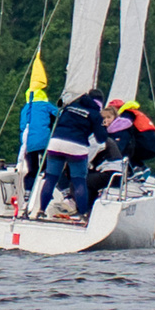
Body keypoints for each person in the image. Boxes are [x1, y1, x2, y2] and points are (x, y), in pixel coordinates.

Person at [35, 91, 105, 219]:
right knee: (79, 181)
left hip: (56, 142)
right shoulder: (95, 114)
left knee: (51, 178)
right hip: (76, 146)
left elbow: (55, 121)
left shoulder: (70, 107)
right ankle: (82, 213)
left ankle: (41, 211)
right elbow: (101, 139)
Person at [18, 83, 55, 199]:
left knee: (32, 169)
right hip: (45, 142)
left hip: (28, 143)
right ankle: (49, 189)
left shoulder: (26, 108)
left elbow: (22, 125)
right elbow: (58, 115)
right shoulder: (46, 105)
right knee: (49, 167)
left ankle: (27, 192)